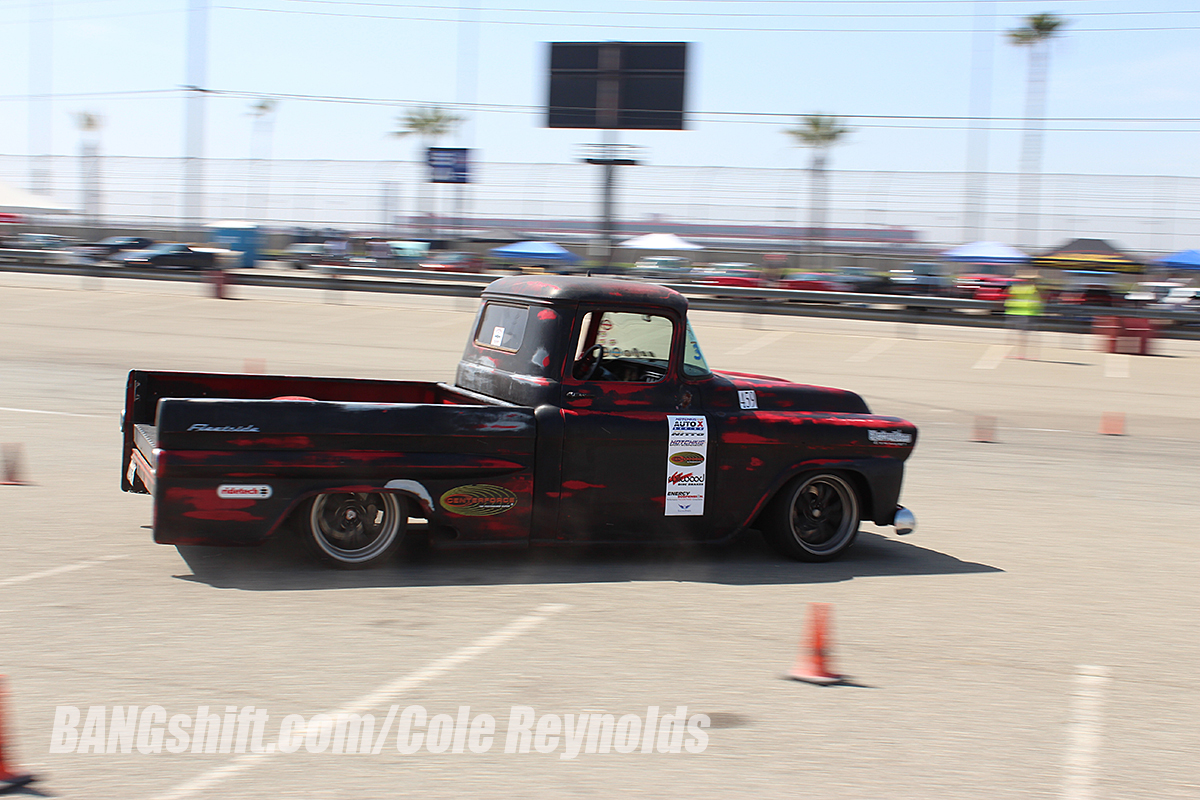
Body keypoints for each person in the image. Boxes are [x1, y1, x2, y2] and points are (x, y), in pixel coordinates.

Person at [1005, 273, 1043, 359]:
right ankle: (1024, 354)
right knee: (1025, 335)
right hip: (1028, 313)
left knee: (1013, 334)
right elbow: (1037, 301)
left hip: (1014, 312)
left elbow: (1009, 299)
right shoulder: (1033, 289)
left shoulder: (1014, 288)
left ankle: (1011, 353)